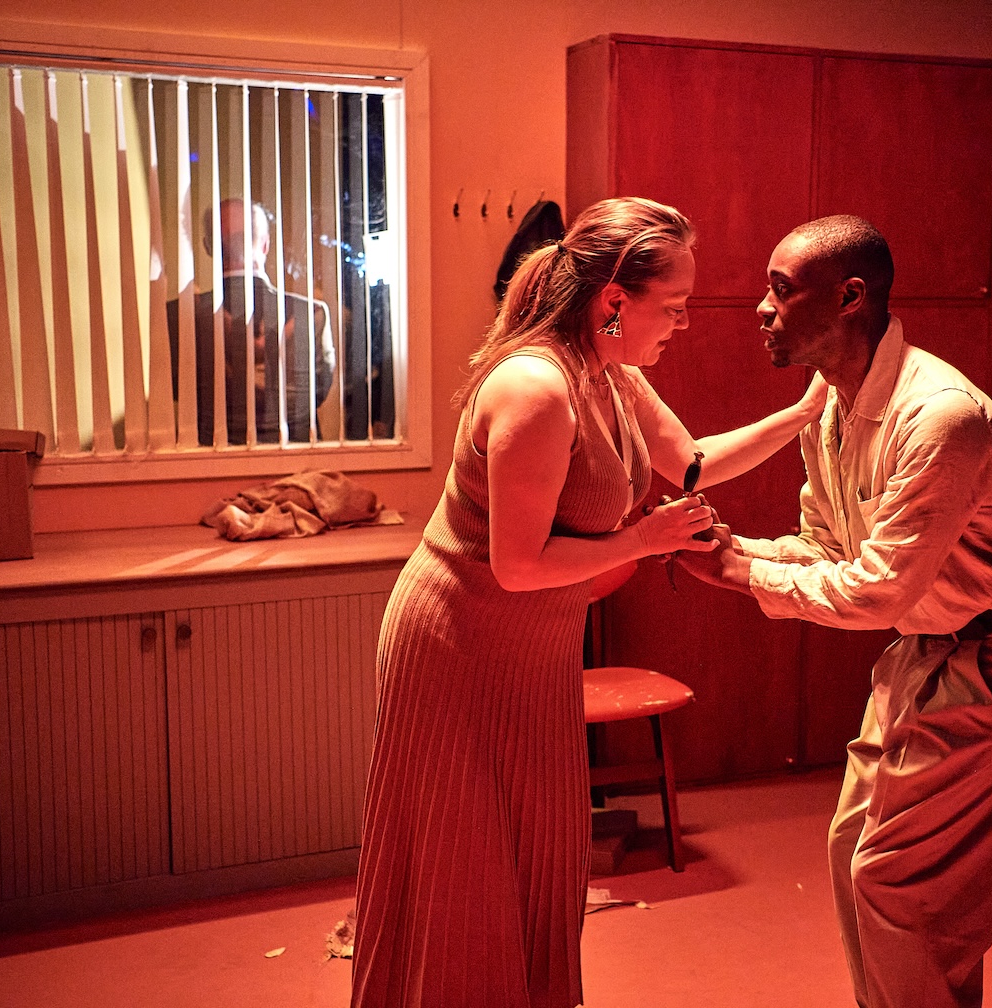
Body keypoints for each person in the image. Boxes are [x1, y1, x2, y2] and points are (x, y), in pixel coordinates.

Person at [351, 197, 827, 1008]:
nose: (682, 322)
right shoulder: (537, 387)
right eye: (671, 305)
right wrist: (646, 540)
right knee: (465, 869)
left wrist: (808, 412)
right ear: (613, 301)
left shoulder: (613, 375)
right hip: (461, 647)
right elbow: (517, 564)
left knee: (536, 856)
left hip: (532, 650)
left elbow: (693, 464)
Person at [677, 216, 992, 1008]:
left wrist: (738, 574)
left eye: (781, 288)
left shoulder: (939, 415)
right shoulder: (831, 409)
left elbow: (876, 591)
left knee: (900, 883)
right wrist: (731, 552)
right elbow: (829, 548)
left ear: (851, 297)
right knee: (851, 854)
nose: (760, 308)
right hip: (931, 646)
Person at [167, 197, 336, 444]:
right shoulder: (311, 313)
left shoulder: (179, 315)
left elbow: (177, 389)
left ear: (208, 246)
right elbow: (319, 390)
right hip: (295, 458)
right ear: (266, 245)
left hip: (213, 461)